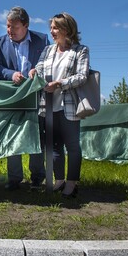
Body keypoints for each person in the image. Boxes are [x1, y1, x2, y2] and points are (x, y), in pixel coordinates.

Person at [28, 12, 90, 198]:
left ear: (66, 29)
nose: (52, 31)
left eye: (55, 28)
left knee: (72, 146)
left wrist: (60, 83)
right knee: (53, 147)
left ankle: (72, 183)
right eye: (51, 28)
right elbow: (39, 67)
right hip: (47, 105)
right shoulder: (48, 50)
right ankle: (59, 180)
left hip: (69, 105)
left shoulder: (80, 50)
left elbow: (82, 76)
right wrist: (33, 71)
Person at [0, 6, 49, 191]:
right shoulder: (0, 43)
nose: (9, 31)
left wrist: (37, 71)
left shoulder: (42, 40)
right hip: (13, 98)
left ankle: (37, 177)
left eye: (14, 27)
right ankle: (14, 178)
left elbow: (47, 64)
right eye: (8, 26)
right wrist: (11, 75)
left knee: (37, 137)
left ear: (26, 26)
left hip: (35, 98)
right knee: (13, 137)